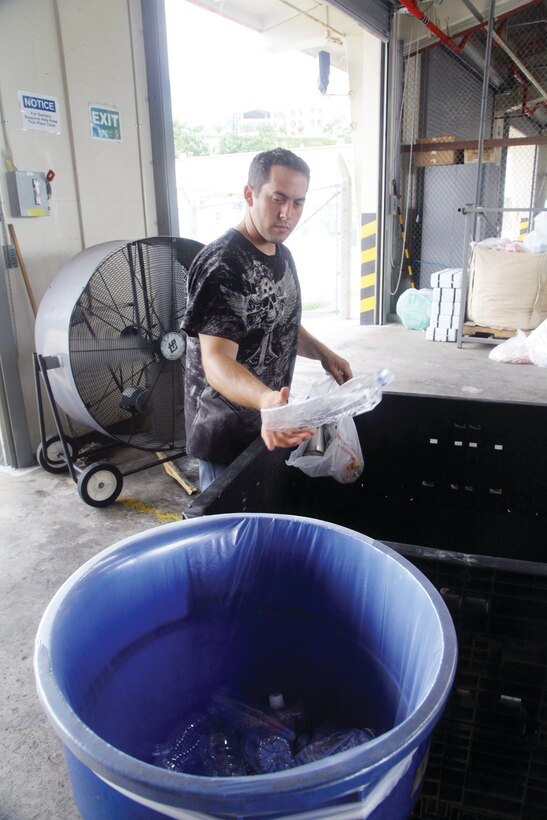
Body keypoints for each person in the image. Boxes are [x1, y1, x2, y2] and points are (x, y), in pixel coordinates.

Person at [181, 147, 353, 490]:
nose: (287, 213)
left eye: (298, 202)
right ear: (250, 194)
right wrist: (266, 400)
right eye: (278, 198)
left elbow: (279, 323)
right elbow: (215, 360)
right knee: (230, 535)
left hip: (269, 425)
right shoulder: (222, 266)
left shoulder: (281, 253)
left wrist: (323, 354)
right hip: (224, 437)